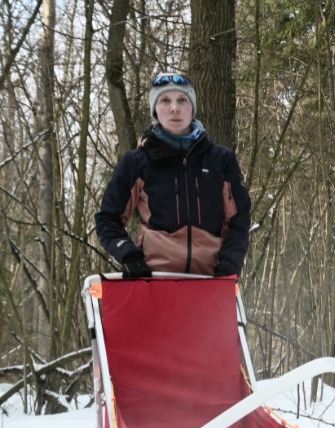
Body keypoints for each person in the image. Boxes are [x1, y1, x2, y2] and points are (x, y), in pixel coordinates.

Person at [95, 72, 252, 278]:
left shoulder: (221, 160)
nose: (174, 108)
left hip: (211, 281)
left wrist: (229, 264)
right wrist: (128, 255)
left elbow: (239, 221)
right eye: (165, 100)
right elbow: (108, 218)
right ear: (155, 110)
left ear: (192, 108)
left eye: (182, 100)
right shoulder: (137, 161)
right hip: (155, 280)